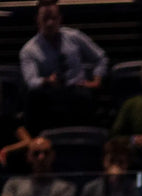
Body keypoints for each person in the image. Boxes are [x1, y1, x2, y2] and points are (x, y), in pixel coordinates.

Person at [19, 0, 108, 133]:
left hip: (77, 92)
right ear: (37, 20)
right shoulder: (29, 50)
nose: (50, 23)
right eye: (45, 19)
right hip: (49, 96)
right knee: (33, 97)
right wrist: (47, 81)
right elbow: (30, 81)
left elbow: (101, 57)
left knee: (85, 98)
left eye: (53, 18)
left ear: (60, 19)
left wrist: (96, 80)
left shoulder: (74, 37)